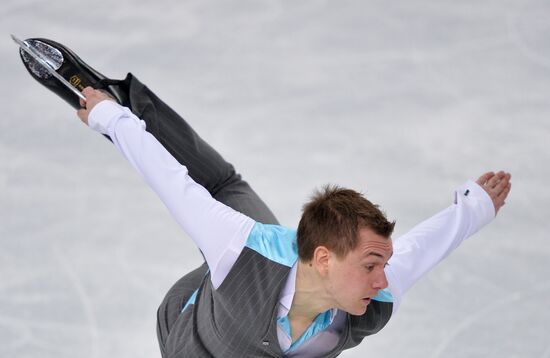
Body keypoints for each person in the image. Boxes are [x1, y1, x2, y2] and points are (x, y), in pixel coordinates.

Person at [74, 86, 511, 358]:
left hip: (260, 271)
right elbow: (171, 183)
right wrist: (110, 117)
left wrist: (475, 208)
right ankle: (130, 99)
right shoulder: (241, 247)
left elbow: (422, 249)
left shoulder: (367, 295)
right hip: (194, 323)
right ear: (324, 259)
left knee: (231, 202)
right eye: (371, 265)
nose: (383, 279)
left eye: (382, 265)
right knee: (222, 185)